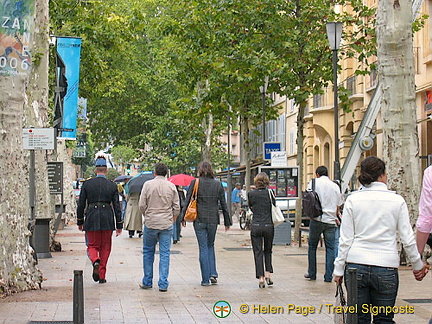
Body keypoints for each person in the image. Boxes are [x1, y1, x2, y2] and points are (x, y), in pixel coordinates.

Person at [333, 156, 427, 323]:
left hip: (356, 267)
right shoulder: (397, 201)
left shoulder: (353, 200)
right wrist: (417, 265)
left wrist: (338, 269)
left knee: (358, 318)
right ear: (383, 175)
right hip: (386, 267)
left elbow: (345, 239)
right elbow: (408, 239)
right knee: (384, 318)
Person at [181, 161, 232, 286]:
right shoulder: (218, 184)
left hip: (199, 219)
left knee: (203, 247)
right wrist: (227, 221)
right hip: (213, 220)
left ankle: (205, 279)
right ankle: (213, 273)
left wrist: (182, 217)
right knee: (210, 245)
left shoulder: (195, 183)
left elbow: (187, 200)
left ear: (199, 170)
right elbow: (223, 204)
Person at [77, 156, 123, 284]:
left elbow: (81, 204)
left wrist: (80, 221)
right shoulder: (112, 185)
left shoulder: (87, 184)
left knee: (92, 245)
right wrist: (119, 224)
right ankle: (102, 275)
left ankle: (95, 260)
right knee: (105, 247)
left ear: (95, 170)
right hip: (107, 218)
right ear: (106, 170)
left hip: (91, 217)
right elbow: (117, 206)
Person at [138, 163, 180, 292]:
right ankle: (163, 283)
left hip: (151, 222)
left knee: (148, 252)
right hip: (166, 224)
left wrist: (147, 215)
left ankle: (147, 281)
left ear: (155, 172)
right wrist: (172, 219)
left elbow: (141, 205)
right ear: (166, 173)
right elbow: (177, 207)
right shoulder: (172, 186)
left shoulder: (147, 185)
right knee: (165, 253)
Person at [304, 166, 342, 282]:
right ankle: (328, 276)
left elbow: (309, 198)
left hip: (317, 219)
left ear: (317, 174)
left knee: (312, 246)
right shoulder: (335, 186)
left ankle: (312, 273)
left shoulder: (313, 183)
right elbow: (338, 204)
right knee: (330, 248)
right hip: (331, 221)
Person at [247, 172, 275, 288]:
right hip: (268, 225)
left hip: (256, 225)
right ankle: (268, 274)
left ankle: (261, 278)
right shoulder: (270, 193)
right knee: (268, 250)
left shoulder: (251, 194)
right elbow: (274, 205)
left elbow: (251, 207)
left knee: (257, 252)